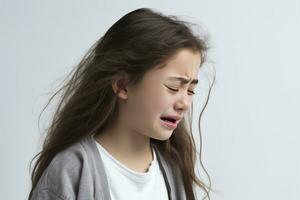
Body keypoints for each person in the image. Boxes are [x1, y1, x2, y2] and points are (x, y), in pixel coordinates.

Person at [28, 7, 215, 200]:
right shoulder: (73, 169)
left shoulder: (173, 169)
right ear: (122, 86)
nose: (185, 103)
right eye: (173, 87)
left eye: (191, 90)